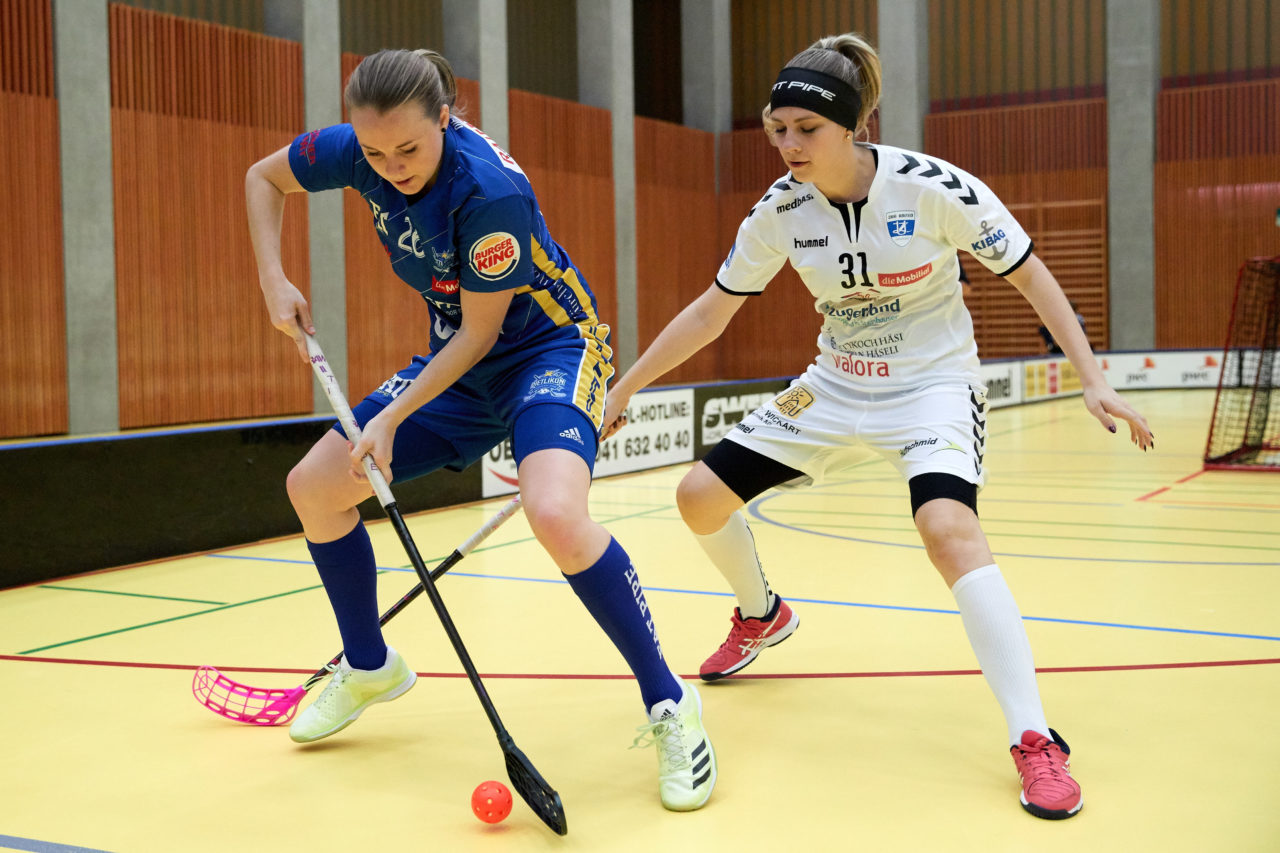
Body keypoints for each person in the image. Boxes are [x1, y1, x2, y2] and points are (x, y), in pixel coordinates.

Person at [601, 32, 1153, 821]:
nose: (788, 145)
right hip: (830, 384)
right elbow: (712, 309)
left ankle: (1035, 736)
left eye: (806, 129)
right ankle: (763, 613)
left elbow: (1031, 272)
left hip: (931, 386)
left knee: (947, 528)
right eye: (777, 128)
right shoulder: (780, 211)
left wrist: (1093, 377)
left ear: (852, 125)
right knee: (697, 497)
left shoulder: (935, 190)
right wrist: (626, 386)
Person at [244, 48, 714, 812]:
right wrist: (273, 279)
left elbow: (482, 333)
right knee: (315, 488)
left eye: (409, 148)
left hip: (547, 348)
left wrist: (393, 416)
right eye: (373, 151)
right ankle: (369, 665)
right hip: (457, 360)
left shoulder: (488, 192)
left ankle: (670, 701)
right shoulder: (354, 150)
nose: (390, 165)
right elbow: (262, 179)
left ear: (446, 118)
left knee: (556, 512)